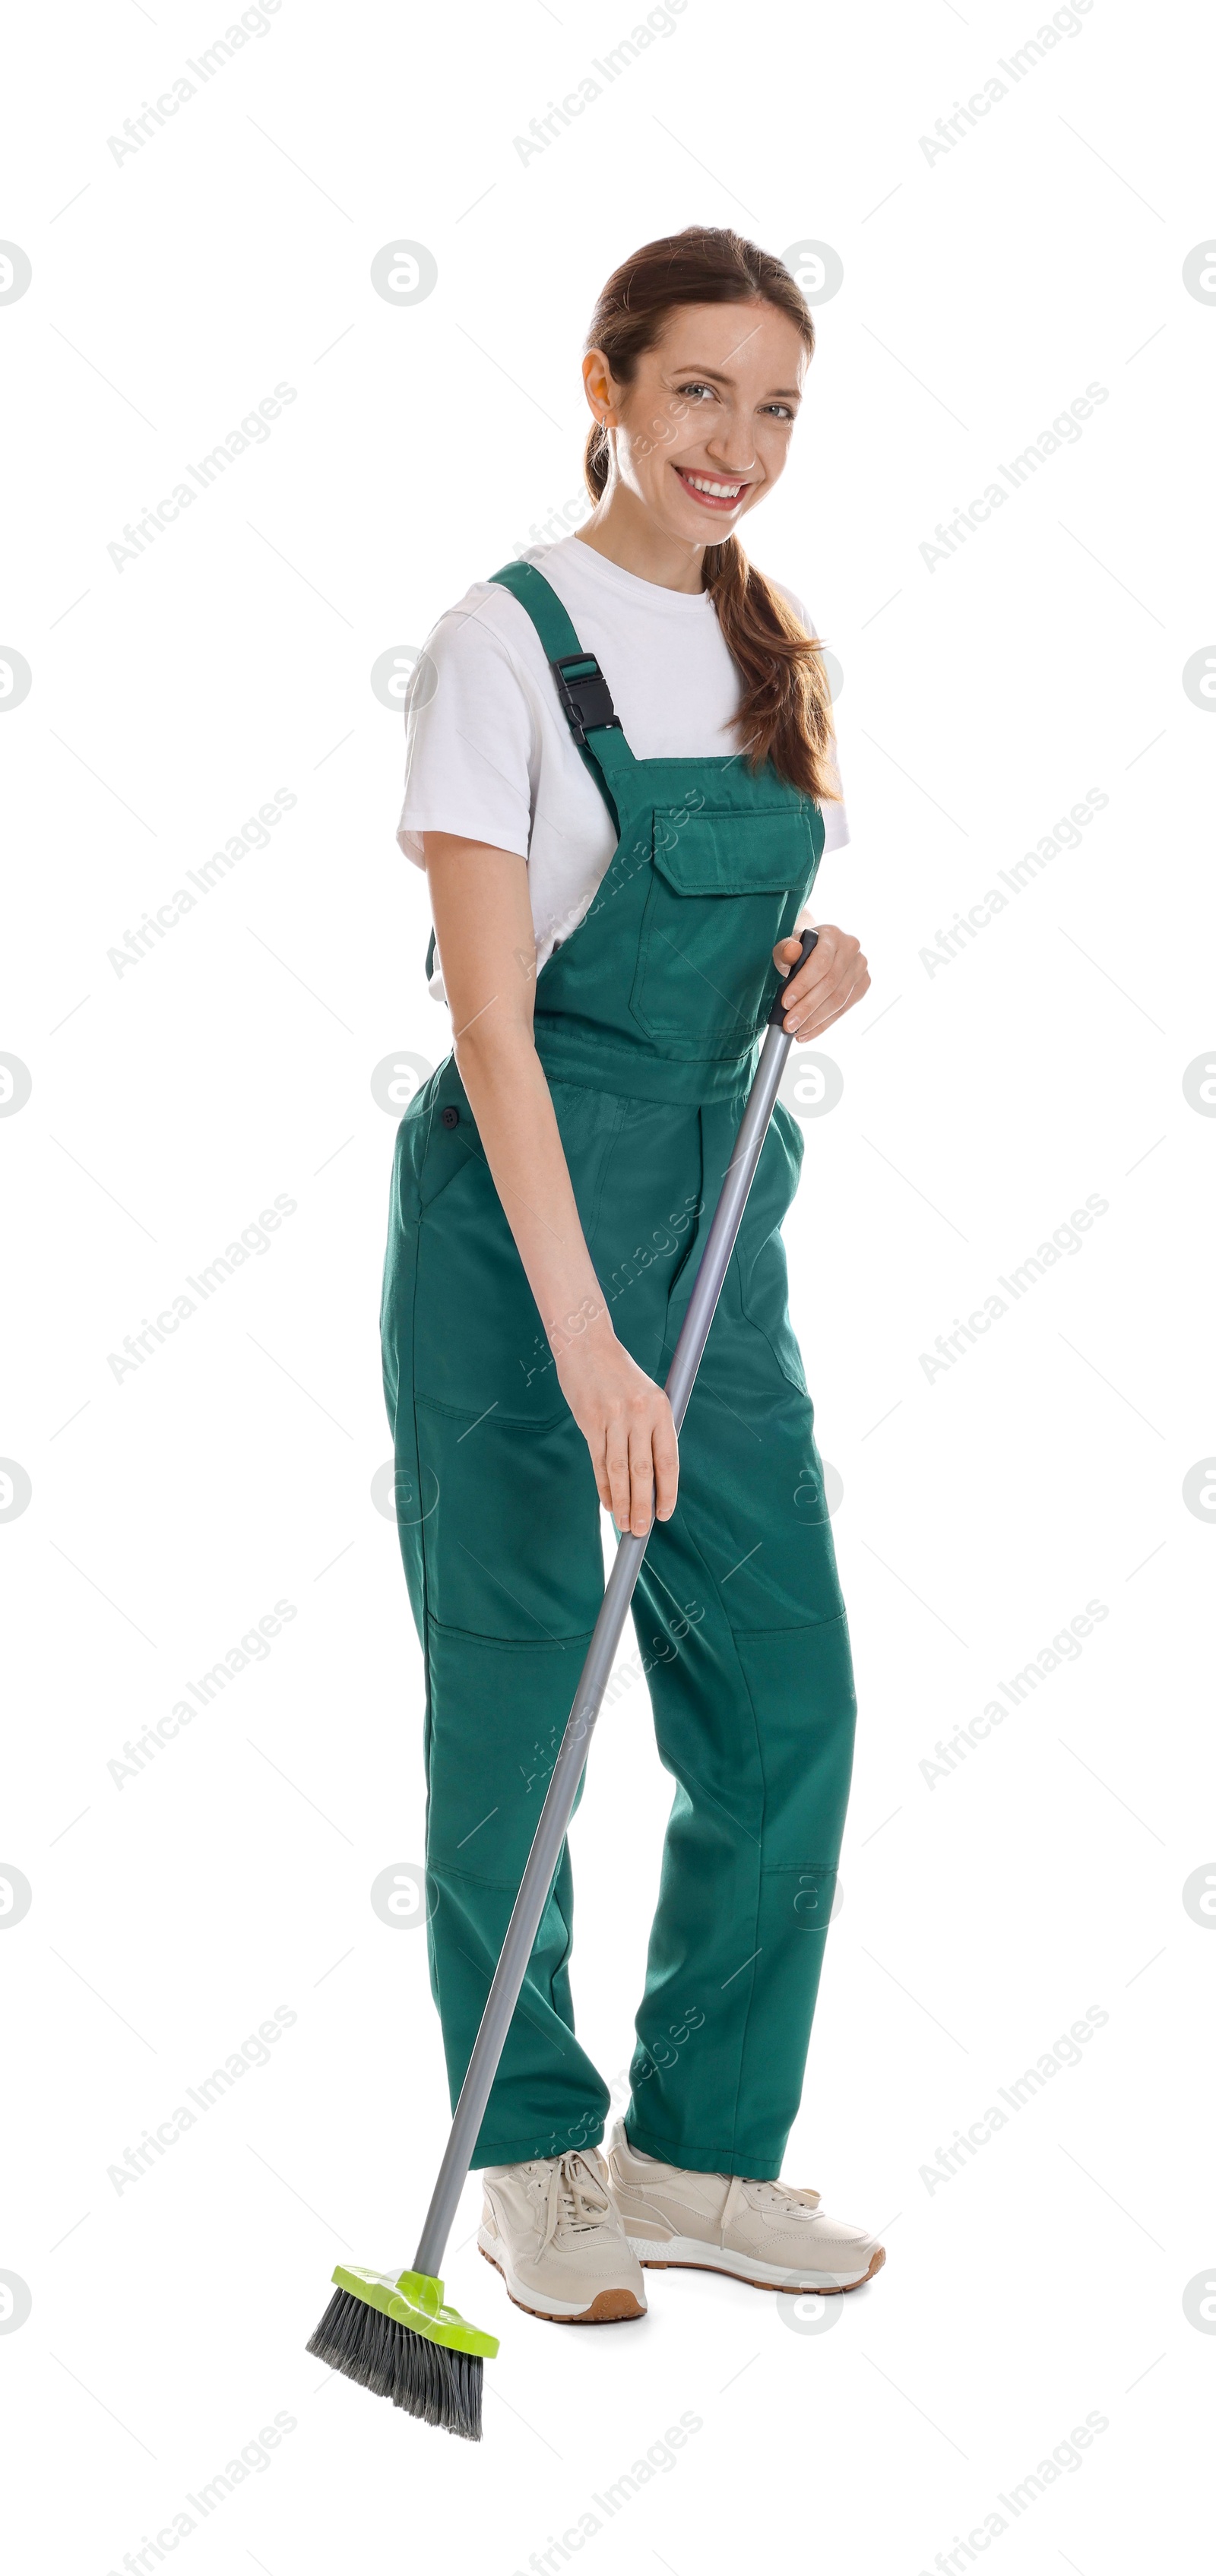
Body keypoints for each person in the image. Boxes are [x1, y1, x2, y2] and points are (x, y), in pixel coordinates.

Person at [382, 226, 883, 2326]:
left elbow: (738, 937)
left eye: (773, 406)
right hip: (517, 1239)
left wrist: (824, 969)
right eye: (698, 392)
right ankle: (530, 2158)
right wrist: (586, 1342)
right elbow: (497, 1026)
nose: (738, 443)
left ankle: (694, 2153)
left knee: (787, 1702)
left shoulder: (771, 641)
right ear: (605, 386)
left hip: (717, 1220)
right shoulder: (500, 646)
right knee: (522, 1702)